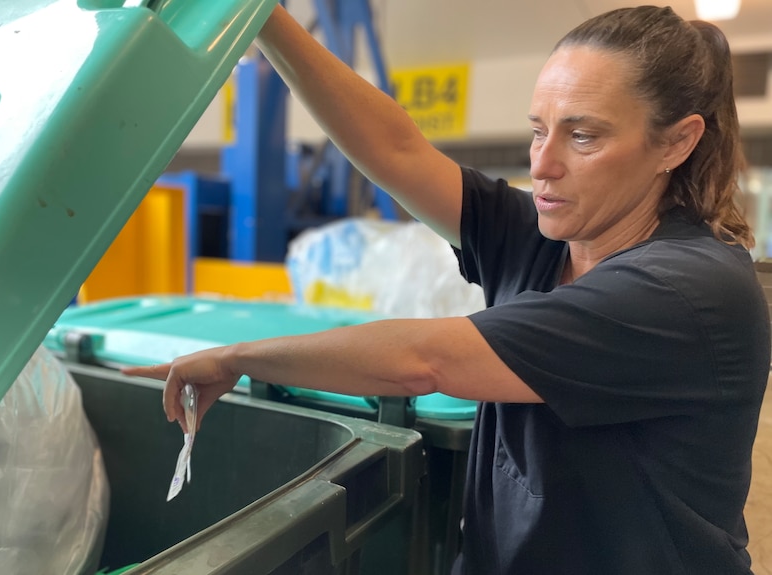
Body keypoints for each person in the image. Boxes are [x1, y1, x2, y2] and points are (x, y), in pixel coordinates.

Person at [124, 4, 771, 574]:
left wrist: (240, 358)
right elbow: (399, 150)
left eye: (583, 135)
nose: (542, 165)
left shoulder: (690, 290)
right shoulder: (545, 238)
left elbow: (424, 360)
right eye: (538, 129)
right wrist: (261, 15)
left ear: (677, 143)